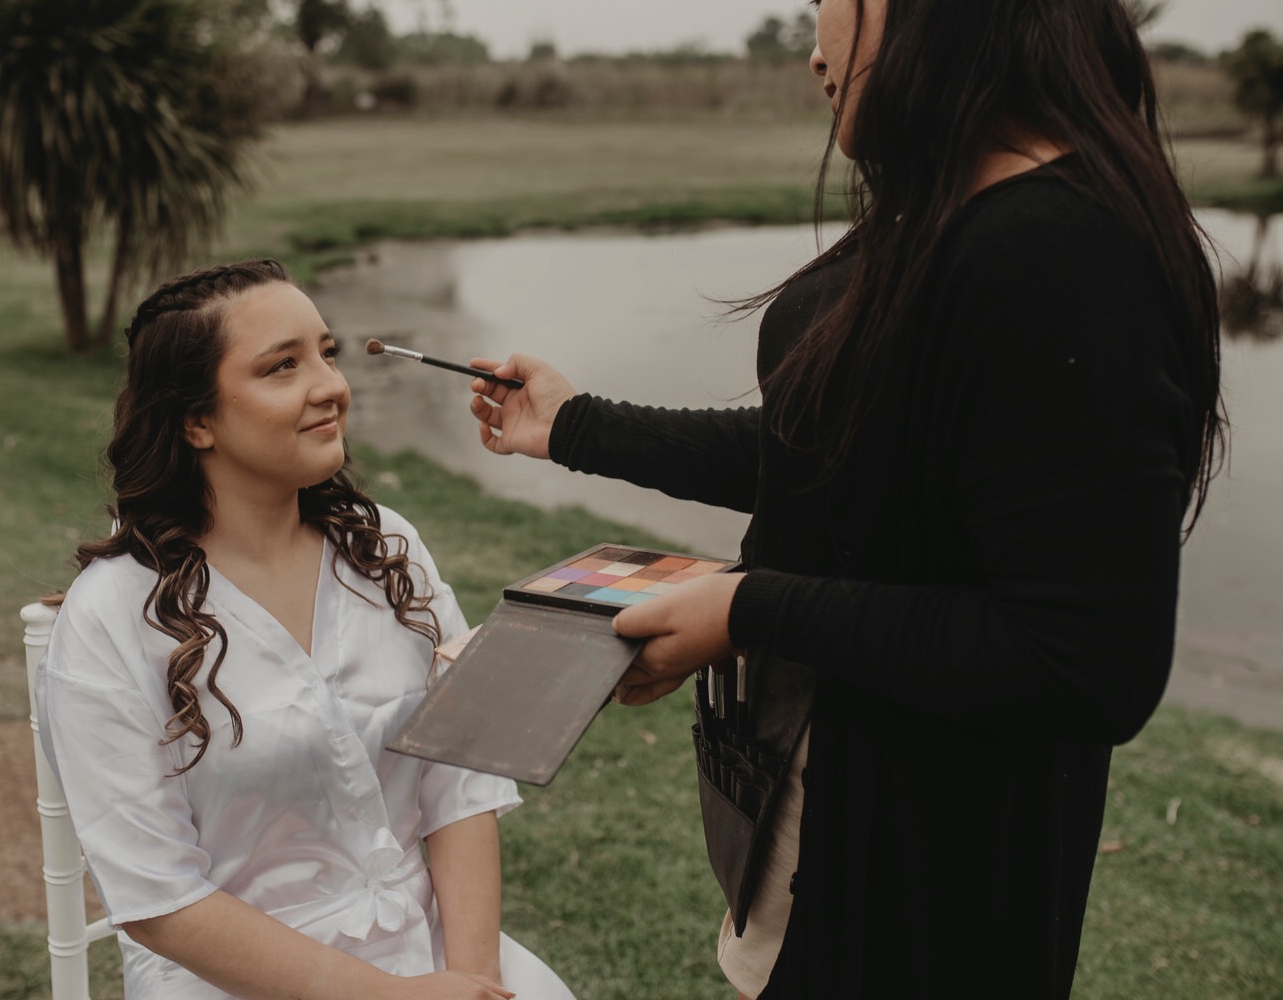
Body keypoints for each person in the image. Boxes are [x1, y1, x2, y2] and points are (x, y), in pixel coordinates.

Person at [462, 2, 1224, 998]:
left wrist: (745, 609)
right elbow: (836, 458)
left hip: (928, 880)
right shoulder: (950, 204)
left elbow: (1084, 661)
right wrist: (574, 425)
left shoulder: (1062, 249)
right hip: (819, 808)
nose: (816, 51)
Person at [37, 259, 577, 1000]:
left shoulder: (385, 548)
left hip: (435, 956)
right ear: (196, 420)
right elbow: (159, 899)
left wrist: (474, 979)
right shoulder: (112, 617)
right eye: (282, 366)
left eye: (327, 352)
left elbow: (460, 778)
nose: (331, 386)